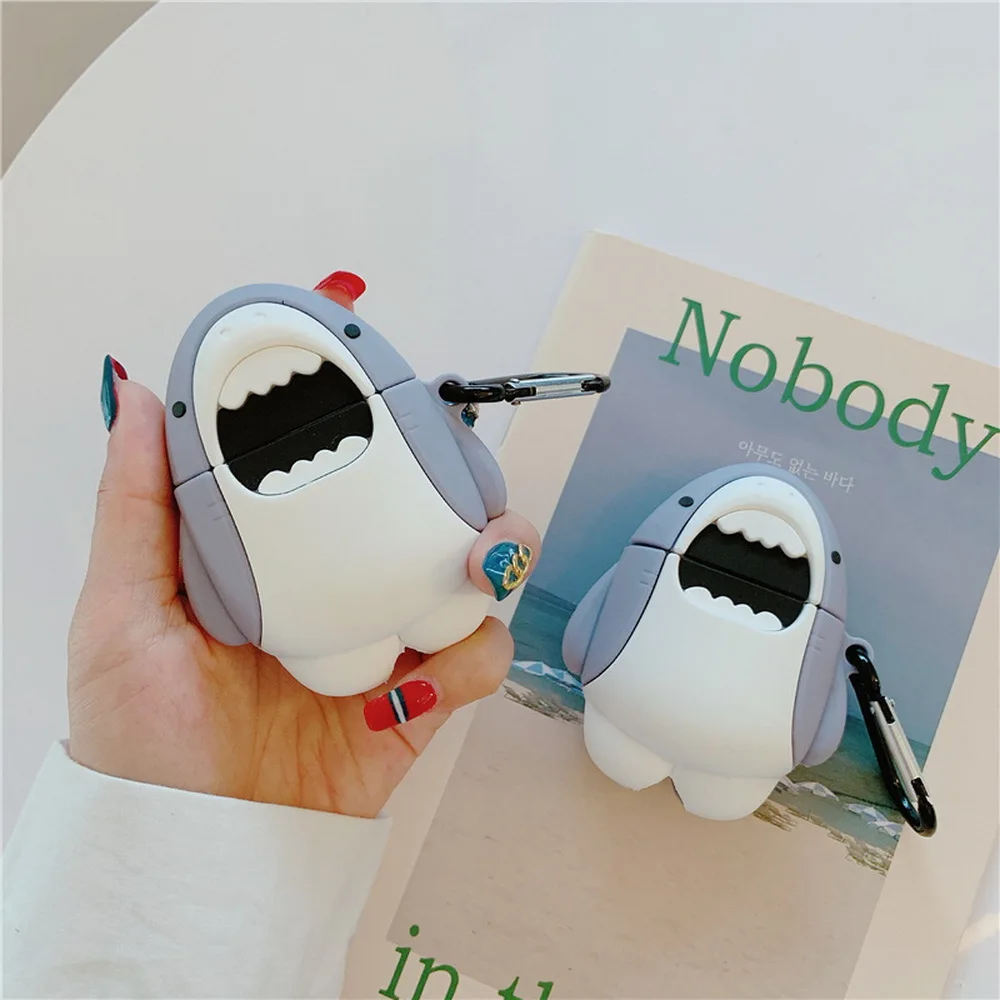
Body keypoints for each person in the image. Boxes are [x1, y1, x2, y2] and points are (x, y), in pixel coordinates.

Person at [2, 275, 541, 999]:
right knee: (445, 615)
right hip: (336, 640)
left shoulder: (391, 407)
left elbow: (477, 483)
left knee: (446, 616)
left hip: (340, 633)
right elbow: (481, 484)